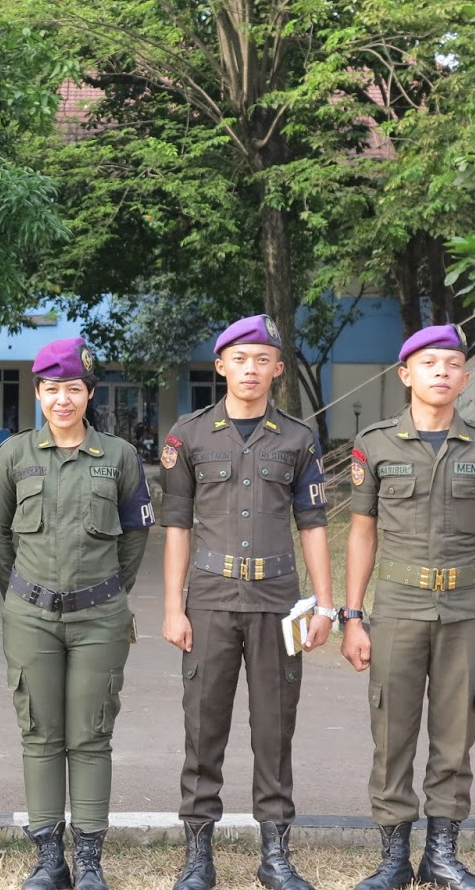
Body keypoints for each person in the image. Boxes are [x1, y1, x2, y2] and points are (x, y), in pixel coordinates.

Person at [340, 324, 475, 890]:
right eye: (428, 363)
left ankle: (441, 854)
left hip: (466, 608)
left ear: (465, 378)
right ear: (405, 375)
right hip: (397, 606)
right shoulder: (374, 444)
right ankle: (393, 857)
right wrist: (353, 616)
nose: (440, 372)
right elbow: (361, 532)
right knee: (391, 730)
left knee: (454, 734)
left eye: (451, 364)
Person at [159, 314, 334, 890]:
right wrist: (171, 607)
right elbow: (177, 526)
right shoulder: (188, 436)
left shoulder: (297, 438)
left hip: (277, 601)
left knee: (274, 727)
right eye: (240, 358)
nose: (251, 368)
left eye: (262, 359)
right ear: (221, 366)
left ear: (278, 369)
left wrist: (325, 605)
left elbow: (313, 524)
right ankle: (197, 853)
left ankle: (275, 854)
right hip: (209, 599)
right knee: (203, 725)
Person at [0, 337, 154, 890]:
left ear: (88, 394)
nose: (63, 399)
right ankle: (47, 858)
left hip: (99, 616)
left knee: (91, 734)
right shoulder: (13, 455)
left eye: (73, 389)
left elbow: (133, 537)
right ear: (38, 392)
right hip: (29, 615)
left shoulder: (120, 457)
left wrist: (104, 592)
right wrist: (25, 595)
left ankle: (89, 858)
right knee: (39, 733)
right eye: (52, 389)